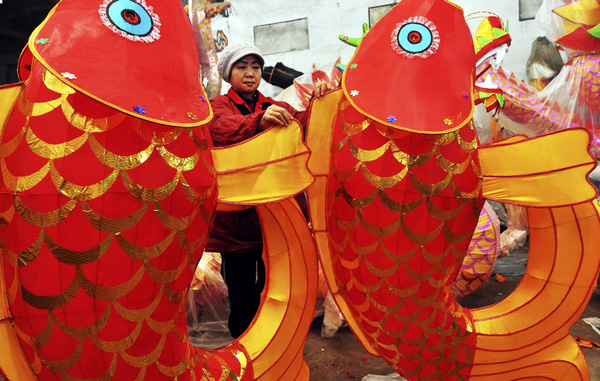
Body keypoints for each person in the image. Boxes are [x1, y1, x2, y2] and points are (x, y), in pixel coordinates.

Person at [205, 41, 330, 338]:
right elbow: (219, 129)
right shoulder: (216, 108)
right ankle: (245, 353)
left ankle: (270, 346)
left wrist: (319, 104)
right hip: (237, 225)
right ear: (228, 74)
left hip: (274, 219)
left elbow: (301, 129)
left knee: (274, 290)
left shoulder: (278, 107)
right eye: (242, 67)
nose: (250, 73)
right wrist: (256, 121)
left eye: (256, 67)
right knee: (242, 294)